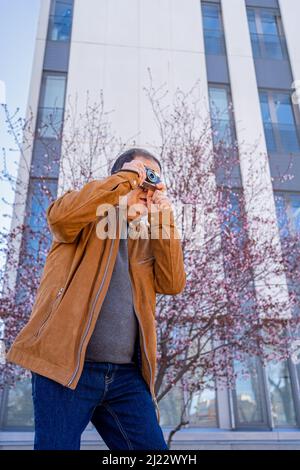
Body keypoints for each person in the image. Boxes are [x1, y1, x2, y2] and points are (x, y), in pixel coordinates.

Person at [6, 147, 186, 450]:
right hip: (65, 370)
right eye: (140, 176)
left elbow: (172, 283)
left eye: (152, 181)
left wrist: (163, 219)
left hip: (127, 378)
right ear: (118, 177)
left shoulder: (145, 240)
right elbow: (59, 218)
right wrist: (127, 181)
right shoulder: (84, 218)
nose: (146, 187)